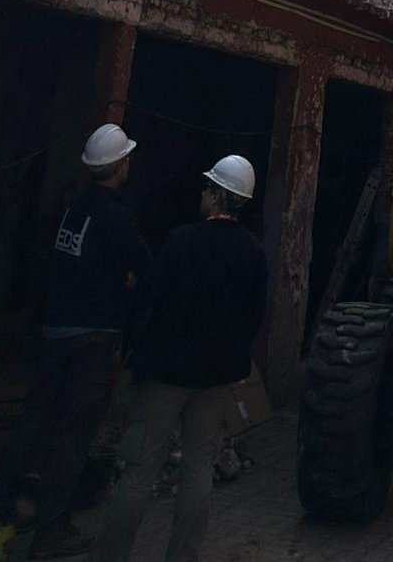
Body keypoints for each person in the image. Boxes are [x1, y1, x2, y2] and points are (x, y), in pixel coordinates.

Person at [90, 155, 268, 562]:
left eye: (208, 188)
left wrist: (132, 349)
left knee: (139, 468)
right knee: (199, 468)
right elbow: (254, 316)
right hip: (216, 375)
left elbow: (148, 298)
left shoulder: (182, 241)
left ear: (218, 195)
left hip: (167, 372)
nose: (202, 194)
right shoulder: (253, 254)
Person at [0, 123, 149, 559]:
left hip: (57, 332)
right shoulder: (117, 218)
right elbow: (140, 272)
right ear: (119, 165)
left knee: (34, 423)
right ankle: (51, 531)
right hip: (93, 339)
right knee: (73, 437)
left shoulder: (75, 209)